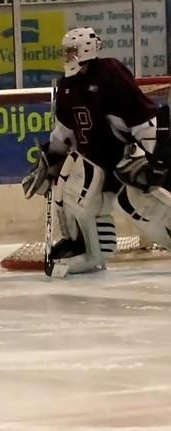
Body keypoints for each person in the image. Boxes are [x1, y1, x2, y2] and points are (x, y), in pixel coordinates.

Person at [22, 27, 165, 276]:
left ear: (86, 49)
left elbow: (140, 114)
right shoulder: (67, 86)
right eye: (65, 51)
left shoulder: (109, 72)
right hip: (96, 158)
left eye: (71, 51)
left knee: (141, 204)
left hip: (124, 156)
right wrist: (51, 157)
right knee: (68, 193)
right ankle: (87, 249)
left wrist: (151, 154)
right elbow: (63, 130)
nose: (67, 56)